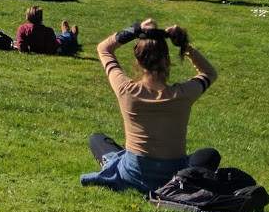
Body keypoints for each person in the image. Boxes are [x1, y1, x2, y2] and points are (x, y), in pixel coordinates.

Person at [81, 18, 220, 194]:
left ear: (138, 62)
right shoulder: (183, 94)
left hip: (132, 173)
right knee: (210, 155)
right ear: (167, 60)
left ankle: (119, 160)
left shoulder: (126, 90)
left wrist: (135, 29)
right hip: (172, 176)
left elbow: (104, 48)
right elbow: (209, 73)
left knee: (97, 139)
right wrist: (185, 45)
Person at [14, 6, 79, 55]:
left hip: (48, 41)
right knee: (65, 37)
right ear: (41, 19)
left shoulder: (22, 29)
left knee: (58, 35)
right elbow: (52, 48)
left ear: (27, 17)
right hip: (58, 42)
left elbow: (21, 47)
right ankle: (70, 34)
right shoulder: (48, 31)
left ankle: (67, 32)